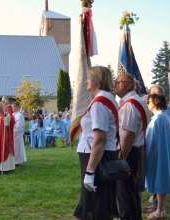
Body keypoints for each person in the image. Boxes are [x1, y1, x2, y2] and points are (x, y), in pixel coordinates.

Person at [74, 66, 119, 220]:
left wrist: (90, 171)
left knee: (97, 203)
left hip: (98, 157)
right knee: (101, 200)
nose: (86, 81)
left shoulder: (100, 102)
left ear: (97, 81)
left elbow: (100, 139)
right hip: (101, 155)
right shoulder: (105, 98)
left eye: (89, 78)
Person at [114, 73, 151, 220]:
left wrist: (121, 157)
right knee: (132, 194)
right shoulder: (137, 101)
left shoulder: (130, 104)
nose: (115, 85)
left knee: (126, 197)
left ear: (128, 85)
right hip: (137, 151)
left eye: (118, 82)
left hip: (130, 152)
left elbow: (129, 135)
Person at [144, 94, 170, 219]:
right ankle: (160, 209)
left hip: (158, 154)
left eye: (149, 101)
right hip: (160, 153)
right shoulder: (161, 117)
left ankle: (160, 211)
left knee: (161, 180)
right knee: (161, 180)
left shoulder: (159, 118)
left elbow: (153, 139)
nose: (147, 104)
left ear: (155, 102)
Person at [11, 101, 27, 166]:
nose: (12, 108)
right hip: (12, 134)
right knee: (13, 148)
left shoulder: (19, 115)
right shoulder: (13, 114)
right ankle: (13, 160)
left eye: (13, 107)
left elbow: (19, 126)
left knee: (17, 148)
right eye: (12, 107)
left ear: (17, 107)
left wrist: (12, 127)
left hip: (17, 134)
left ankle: (17, 161)